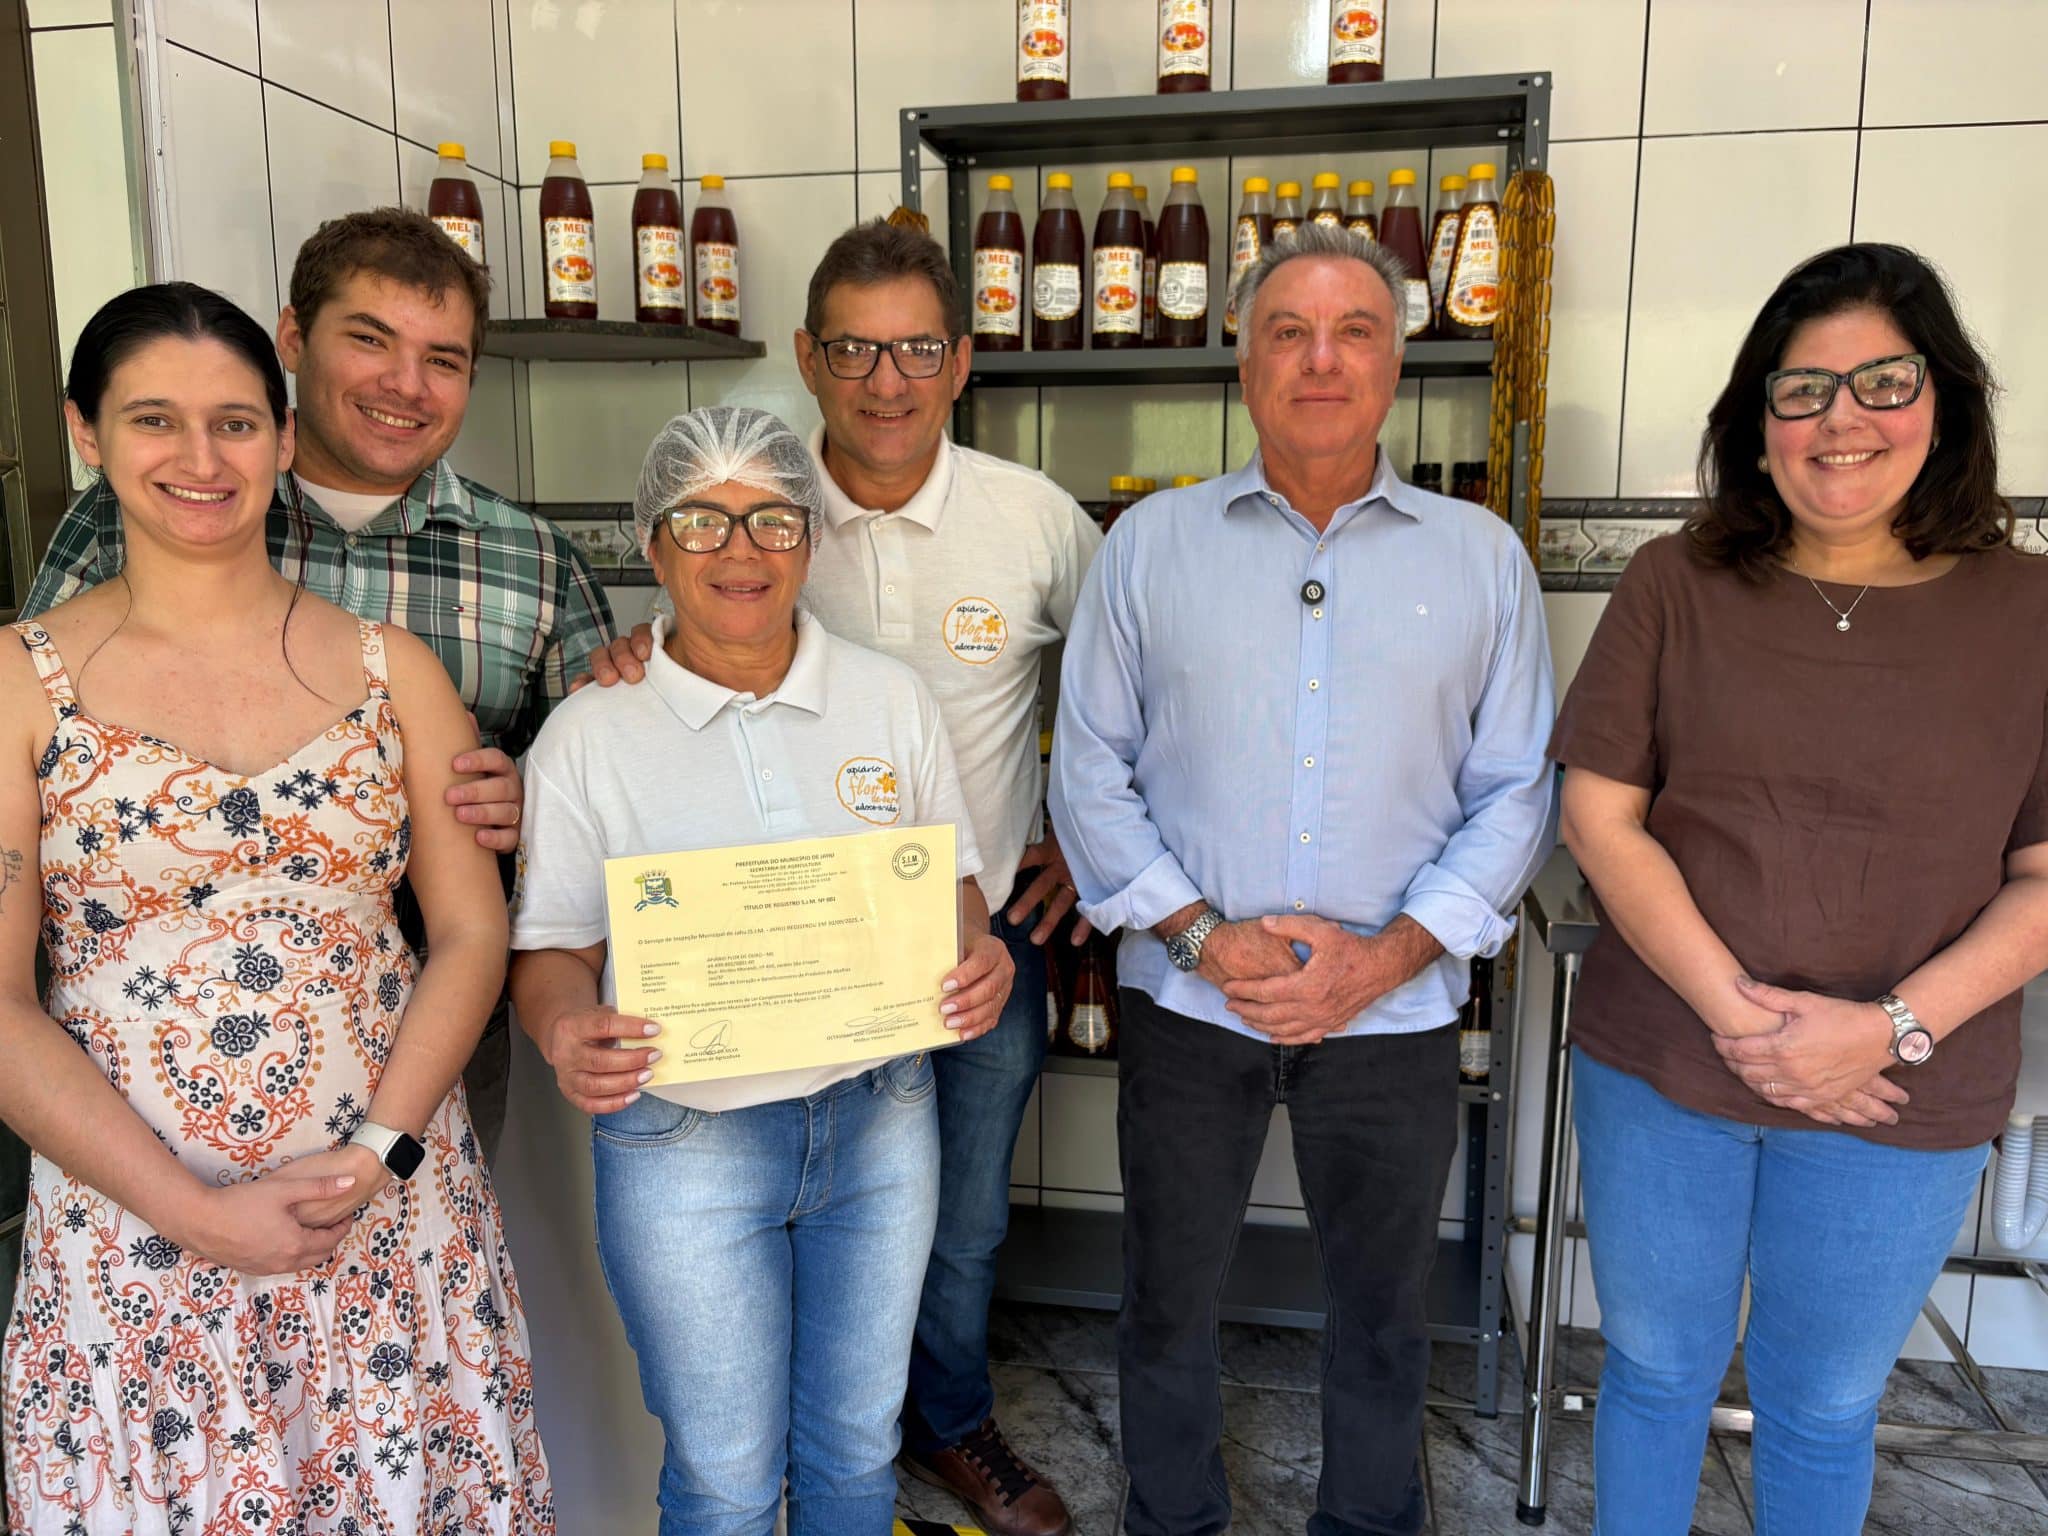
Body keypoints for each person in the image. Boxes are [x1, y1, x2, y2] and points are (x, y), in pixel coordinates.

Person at [0, 282, 552, 1531]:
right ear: (86, 432)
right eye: (154, 419)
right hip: (135, 1236)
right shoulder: (19, 685)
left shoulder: (391, 669)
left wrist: (380, 1152)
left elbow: (471, 932)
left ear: (284, 435)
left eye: (236, 423)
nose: (200, 459)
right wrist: (194, 1215)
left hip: (388, 1212)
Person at [585, 217, 1101, 1535]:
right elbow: (696, 623)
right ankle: (804, 1451)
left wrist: (1083, 841)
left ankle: (946, 1423)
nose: (887, 380)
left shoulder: (1032, 519)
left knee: (961, 1222)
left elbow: (1126, 688)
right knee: (794, 1231)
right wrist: (630, 653)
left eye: (917, 348)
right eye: (856, 350)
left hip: (967, 941)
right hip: (759, 964)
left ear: (962, 360)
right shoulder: (757, 499)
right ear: (808, 357)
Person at [1050, 220, 1555, 1536]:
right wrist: (1203, 938)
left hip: (1391, 1011)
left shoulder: (1481, 559)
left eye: (1354, 332)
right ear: (1243, 360)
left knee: (1383, 1311)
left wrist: (1383, 958)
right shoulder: (1148, 546)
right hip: (1190, 1003)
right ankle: (1170, 1518)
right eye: (1288, 331)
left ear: (1396, 362)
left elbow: (1516, 790)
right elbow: (1087, 774)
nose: (1320, 360)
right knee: (1165, 1296)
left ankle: (1370, 1521)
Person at [1549, 242, 2048, 1535]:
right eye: (1801, 389)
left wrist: (1883, 1029)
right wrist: (1744, 1020)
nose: (1841, 420)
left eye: (1882, 382)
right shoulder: (1674, 583)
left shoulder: (2030, 611)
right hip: (1668, 1066)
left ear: (1943, 401)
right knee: (1652, 1371)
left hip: (1902, 1088)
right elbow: (1600, 816)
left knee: (1823, 1405)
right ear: (1755, 423)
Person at [509, 406, 1014, 1534]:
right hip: (686, 1141)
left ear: (809, 541)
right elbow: (554, 950)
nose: (739, 550)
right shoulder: (591, 733)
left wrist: (974, 952)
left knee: (855, 1455)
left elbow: (950, 886)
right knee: (727, 1478)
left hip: (882, 1116)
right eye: (702, 521)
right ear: (654, 546)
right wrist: (561, 1028)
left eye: (772, 520)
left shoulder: (889, 698)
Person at [21, 206, 616, 1160]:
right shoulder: (147, 512)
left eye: (443, 360)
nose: (405, 385)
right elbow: (50, 747)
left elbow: (603, 797)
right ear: (294, 338)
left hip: (435, 1031)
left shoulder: (535, 562)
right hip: (131, 1076)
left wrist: (532, 792)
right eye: (370, 340)